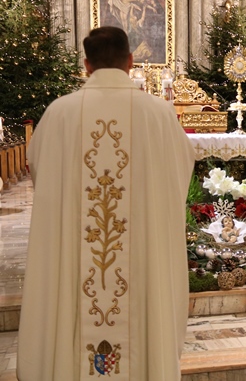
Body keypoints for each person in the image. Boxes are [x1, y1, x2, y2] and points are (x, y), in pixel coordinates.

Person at [17, 26, 196, 380]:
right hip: (142, 256)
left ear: (86, 65)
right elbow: (181, 167)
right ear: (131, 61)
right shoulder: (158, 113)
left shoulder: (59, 113)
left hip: (75, 254)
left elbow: (38, 168)